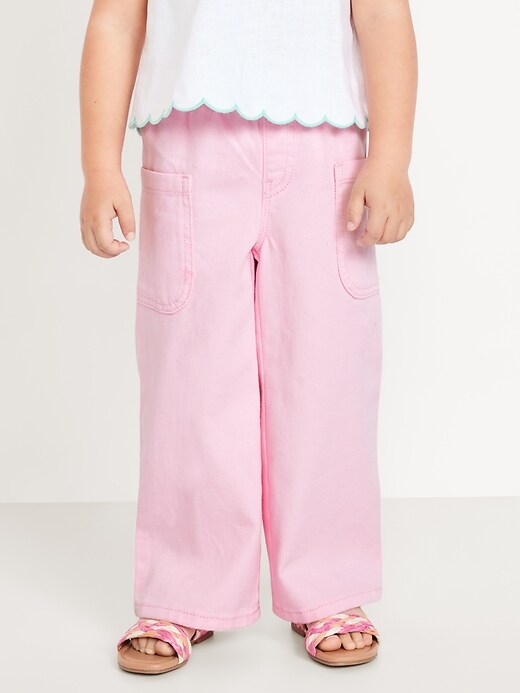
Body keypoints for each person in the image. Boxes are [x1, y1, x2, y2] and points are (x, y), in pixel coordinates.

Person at [79, 0, 417, 674]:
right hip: (190, 139)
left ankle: (328, 583)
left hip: (325, 142)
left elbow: (382, 14)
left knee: (325, 375)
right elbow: (116, 19)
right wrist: (99, 167)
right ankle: (185, 586)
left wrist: (392, 157)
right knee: (191, 381)